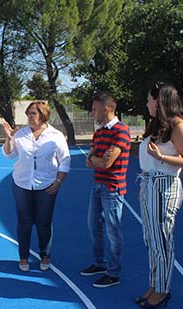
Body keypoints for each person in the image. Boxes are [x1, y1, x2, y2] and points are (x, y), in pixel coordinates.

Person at [136, 82, 183, 309]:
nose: (147, 104)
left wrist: (162, 157)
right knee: (151, 240)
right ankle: (155, 284)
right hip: (150, 184)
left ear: (160, 100)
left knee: (161, 241)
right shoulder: (157, 125)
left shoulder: (177, 125)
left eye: (150, 100)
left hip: (164, 185)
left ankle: (162, 290)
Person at [2, 101, 71, 272]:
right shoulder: (20, 134)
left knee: (44, 222)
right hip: (22, 184)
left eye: (34, 113)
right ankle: (23, 256)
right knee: (24, 222)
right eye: (28, 114)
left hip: (47, 185)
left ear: (43, 115)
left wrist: (58, 183)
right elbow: (9, 155)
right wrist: (10, 138)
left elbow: (65, 161)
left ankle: (44, 255)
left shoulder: (56, 135)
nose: (30, 117)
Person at [80, 91, 131, 288]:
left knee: (113, 230)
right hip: (97, 185)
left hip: (112, 187)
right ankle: (99, 263)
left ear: (106, 108)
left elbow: (107, 162)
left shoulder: (121, 131)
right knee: (94, 226)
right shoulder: (99, 132)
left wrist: (97, 159)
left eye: (94, 109)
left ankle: (114, 271)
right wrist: (97, 159)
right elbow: (92, 158)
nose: (92, 112)